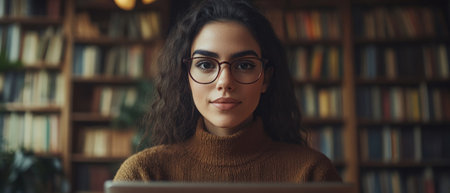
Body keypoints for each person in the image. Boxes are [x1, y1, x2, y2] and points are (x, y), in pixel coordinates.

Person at [114, 0, 341, 182]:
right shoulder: (144, 175)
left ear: (266, 79)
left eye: (244, 65)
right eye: (205, 64)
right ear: (186, 77)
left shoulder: (312, 174)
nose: (224, 82)